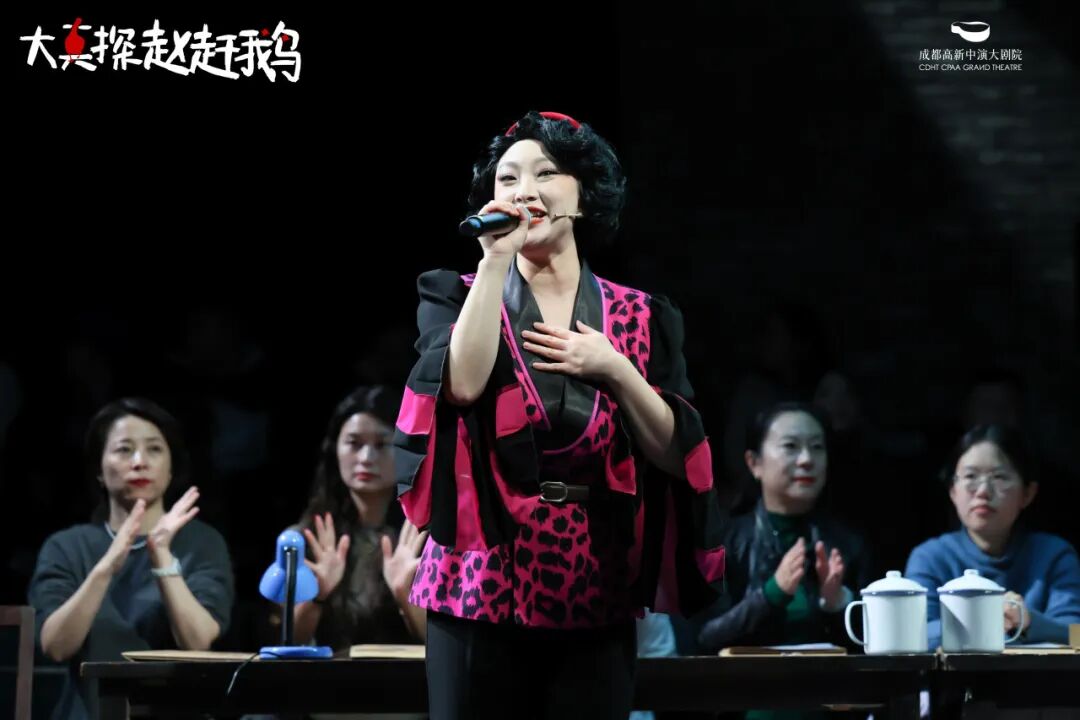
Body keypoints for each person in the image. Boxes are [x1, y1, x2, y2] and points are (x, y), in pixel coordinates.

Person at [392, 111, 725, 720]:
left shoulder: (642, 315)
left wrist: (615, 368)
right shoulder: (456, 295)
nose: (524, 189)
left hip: (593, 578)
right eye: (508, 178)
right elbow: (460, 387)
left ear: (584, 195)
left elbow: (679, 454)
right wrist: (495, 262)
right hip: (477, 578)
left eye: (545, 173)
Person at [29, 397, 234, 720]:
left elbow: (197, 640)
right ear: (99, 470)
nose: (139, 462)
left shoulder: (203, 543)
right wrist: (106, 567)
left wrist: (161, 554)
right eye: (124, 450)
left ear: (171, 468)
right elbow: (56, 646)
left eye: (154, 449)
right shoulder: (66, 547)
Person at [696, 402, 870, 654]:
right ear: (754, 463)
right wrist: (772, 594)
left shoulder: (848, 544)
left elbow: (873, 643)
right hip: (747, 678)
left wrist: (838, 602)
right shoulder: (724, 542)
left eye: (817, 447)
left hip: (828, 677)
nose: (807, 459)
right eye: (790, 446)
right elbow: (704, 637)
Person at [905, 424, 1080, 649]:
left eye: (999, 477)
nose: (983, 491)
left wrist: (1026, 621)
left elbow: (1076, 634)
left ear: (1028, 493)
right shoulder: (930, 557)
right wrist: (983, 617)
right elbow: (915, 634)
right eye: (970, 476)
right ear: (953, 491)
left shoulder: (1055, 555)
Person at [292, 386, 427, 650]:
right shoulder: (307, 537)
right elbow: (287, 643)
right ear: (335, 449)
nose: (366, 458)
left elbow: (442, 649)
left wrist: (405, 593)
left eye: (382, 444)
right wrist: (317, 594)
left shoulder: (426, 539)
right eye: (354, 444)